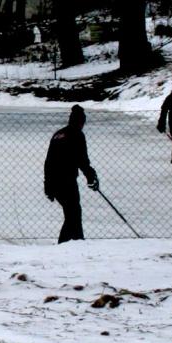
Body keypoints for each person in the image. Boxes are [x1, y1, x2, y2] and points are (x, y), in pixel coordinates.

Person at [44, 104, 99, 243]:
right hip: (67, 181)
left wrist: (48, 185)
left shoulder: (58, 134)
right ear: (80, 122)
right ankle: (68, 243)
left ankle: (76, 241)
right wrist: (91, 176)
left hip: (55, 181)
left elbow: (48, 161)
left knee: (72, 213)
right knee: (73, 213)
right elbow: (82, 160)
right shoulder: (77, 135)